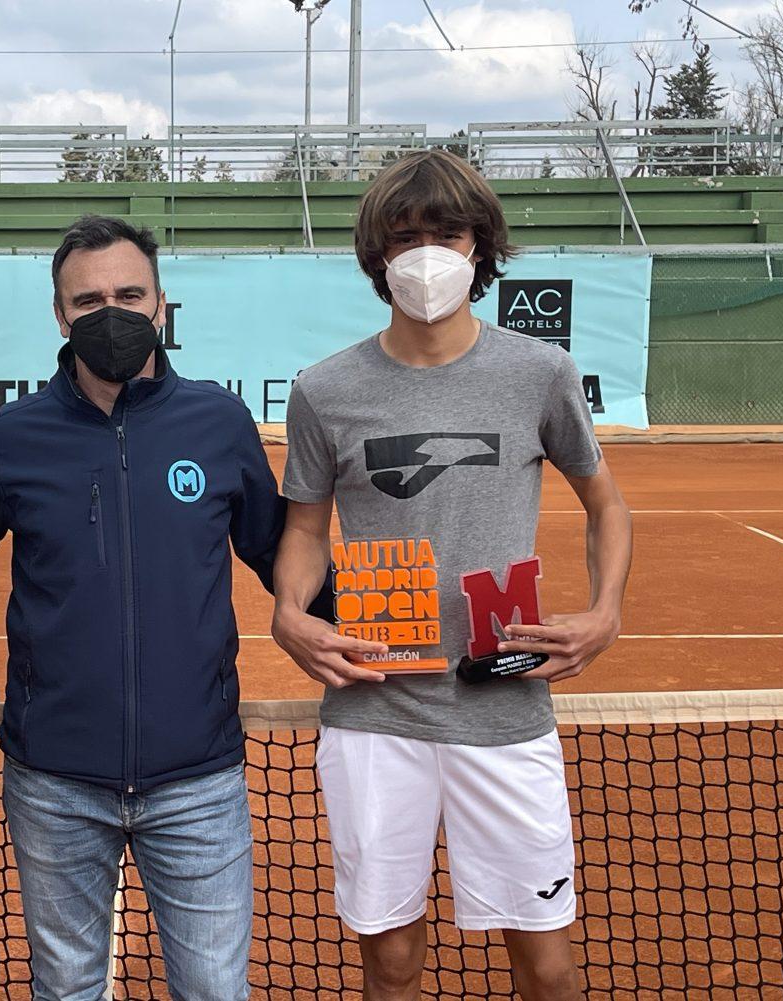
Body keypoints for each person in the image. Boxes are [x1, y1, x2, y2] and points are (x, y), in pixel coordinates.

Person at [270, 150, 633, 1001]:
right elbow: (302, 527)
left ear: (479, 247)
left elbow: (606, 506)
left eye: (446, 232)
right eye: (403, 236)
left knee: (542, 961)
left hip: (504, 702)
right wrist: (289, 612)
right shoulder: (323, 390)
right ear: (376, 255)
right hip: (373, 706)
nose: (424, 253)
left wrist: (604, 612)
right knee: (390, 960)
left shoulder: (537, 372)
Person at [0, 215, 328, 1001]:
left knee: (214, 991)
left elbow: (280, 555)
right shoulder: (8, 437)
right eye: (88, 298)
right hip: (54, 778)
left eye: (130, 293)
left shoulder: (218, 421)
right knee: (65, 990)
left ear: (162, 303)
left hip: (198, 778)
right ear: (59, 316)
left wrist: (382, 626)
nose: (111, 311)